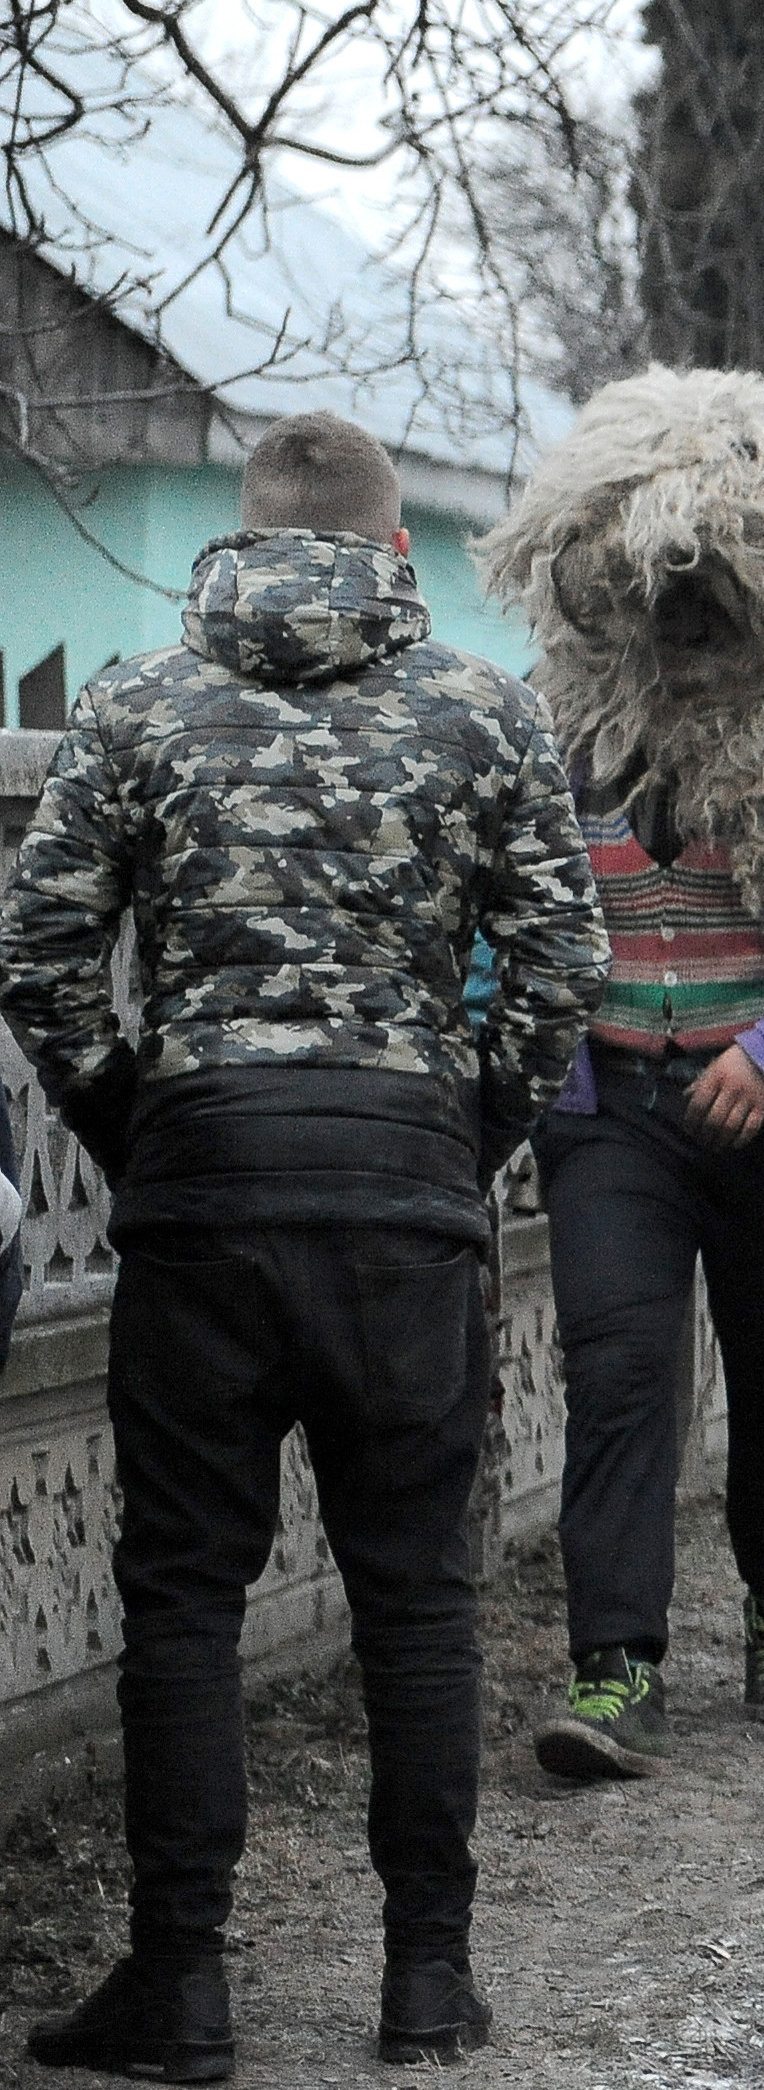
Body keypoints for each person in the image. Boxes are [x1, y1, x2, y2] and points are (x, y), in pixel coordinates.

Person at [6, 412, 607, 2075]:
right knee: (417, 1594)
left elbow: (44, 949)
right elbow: (561, 953)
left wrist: (144, 1125)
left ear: (239, 541)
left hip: (202, 1181)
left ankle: (180, 1984)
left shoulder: (133, 701)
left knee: (186, 1592)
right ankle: (426, 1977)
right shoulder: (482, 711)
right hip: (402, 1181)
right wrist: (466, 1131)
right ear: (397, 550)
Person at [476, 368, 764, 1779]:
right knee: (620, 1372)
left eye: (708, 602)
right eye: (655, 599)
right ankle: (615, 1668)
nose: (683, 630)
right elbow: (490, 925)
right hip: (611, 1109)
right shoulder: (553, 752)